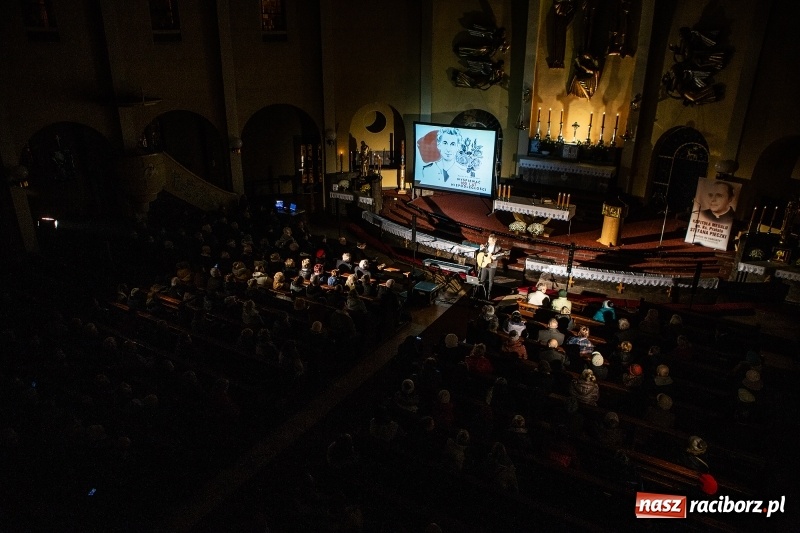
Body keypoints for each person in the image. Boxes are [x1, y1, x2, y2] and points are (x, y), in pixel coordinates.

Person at [477, 234, 505, 299]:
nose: (488, 241)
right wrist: (481, 249)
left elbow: (501, 256)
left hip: (492, 266)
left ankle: (489, 293)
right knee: (482, 279)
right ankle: (481, 292)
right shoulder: (486, 245)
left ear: (494, 240)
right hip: (485, 264)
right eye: (488, 240)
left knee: (490, 281)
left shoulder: (498, 248)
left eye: (490, 240)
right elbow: (481, 253)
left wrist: (495, 258)